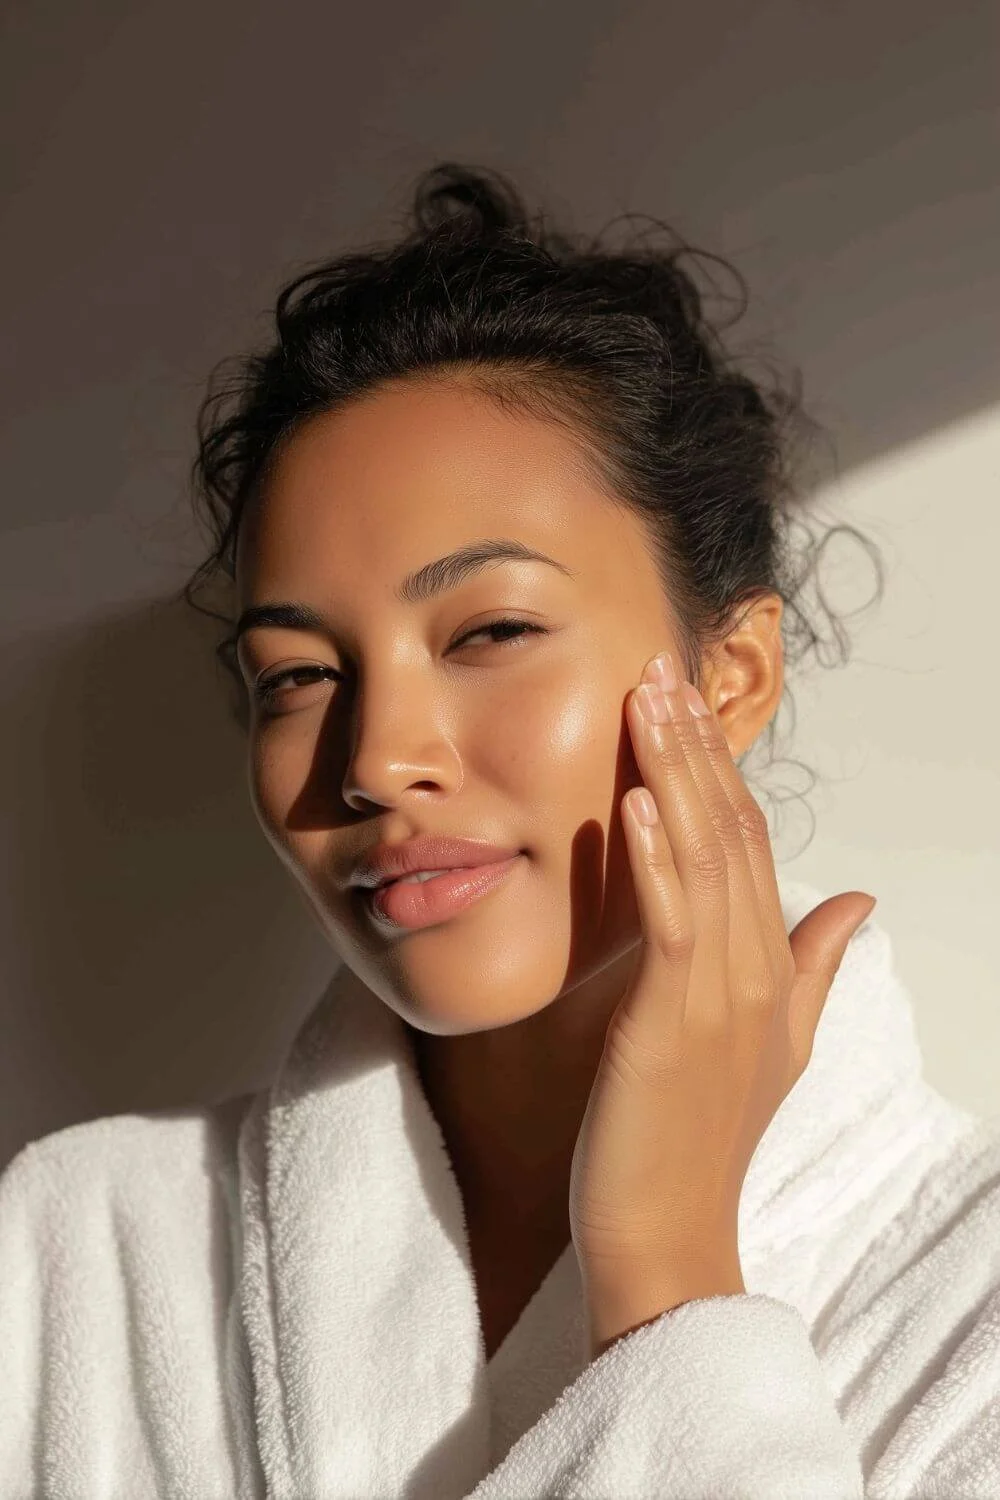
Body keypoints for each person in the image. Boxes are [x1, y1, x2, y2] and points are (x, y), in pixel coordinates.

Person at [1, 164, 998, 1498]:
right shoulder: (76, 1249)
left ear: (733, 679)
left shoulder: (967, 1301)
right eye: (296, 677)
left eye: (492, 632)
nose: (376, 759)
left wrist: (665, 1271)